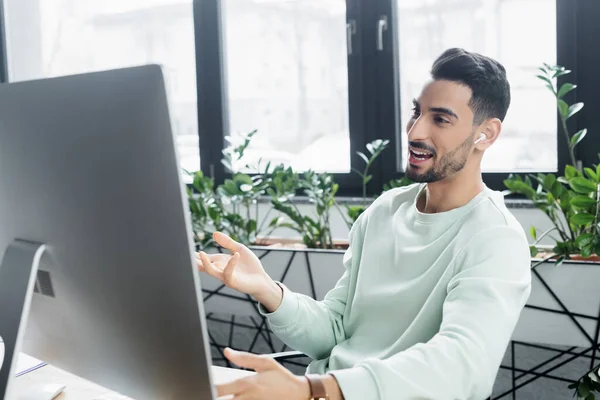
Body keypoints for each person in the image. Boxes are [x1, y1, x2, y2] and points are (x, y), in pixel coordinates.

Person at [197, 47, 532, 400]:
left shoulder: (496, 239)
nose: (416, 131)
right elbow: (335, 331)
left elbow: (460, 368)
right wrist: (267, 288)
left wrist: (312, 389)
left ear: (487, 134)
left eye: (441, 119)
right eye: (417, 112)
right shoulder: (385, 211)